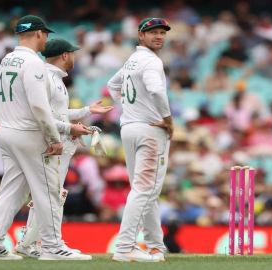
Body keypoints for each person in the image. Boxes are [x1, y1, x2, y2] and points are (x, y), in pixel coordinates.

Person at [0, 15, 66, 260]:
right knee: (47, 191)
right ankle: (52, 246)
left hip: (6, 131)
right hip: (28, 134)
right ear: (38, 33)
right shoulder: (33, 62)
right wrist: (55, 138)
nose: (46, 38)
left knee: (11, 191)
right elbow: (38, 106)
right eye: (45, 33)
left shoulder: (6, 59)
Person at [14, 38, 113, 259]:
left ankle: (28, 242)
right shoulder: (48, 78)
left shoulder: (54, 78)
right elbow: (45, 117)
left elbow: (58, 114)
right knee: (52, 195)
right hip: (53, 146)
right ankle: (52, 244)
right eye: (73, 53)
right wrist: (71, 129)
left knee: (49, 195)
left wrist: (87, 110)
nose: (75, 57)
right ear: (65, 55)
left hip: (58, 144)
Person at [107, 17, 173, 262]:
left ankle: (156, 245)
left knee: (146, 191)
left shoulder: (133, 60)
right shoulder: (151, 62)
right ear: (140, 35)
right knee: (145, 190)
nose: (159, 36)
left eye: (162, 33)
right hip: (150, 130)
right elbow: (156, 90)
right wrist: (168, 120)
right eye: (153, 32)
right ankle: (124, 248)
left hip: (130, 128)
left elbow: (112, 85)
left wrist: (128, 108)